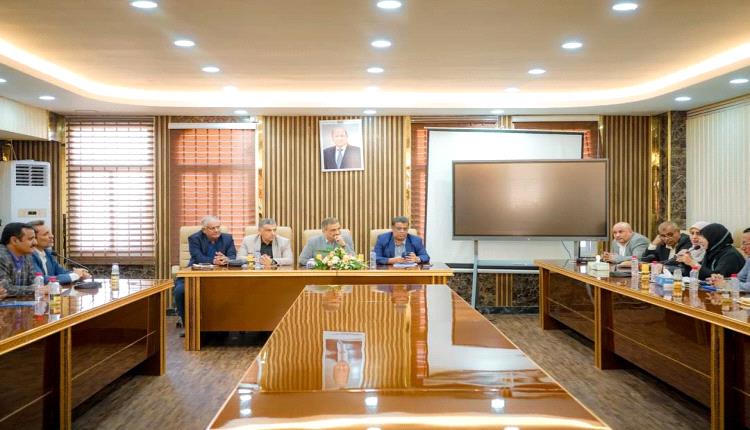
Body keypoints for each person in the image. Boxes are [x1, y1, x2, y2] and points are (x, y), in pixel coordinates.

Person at [174, 216, 236, 334]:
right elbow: (197, 257)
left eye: (218, 227)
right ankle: (188, 326)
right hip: (196, 274)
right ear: (204, 230)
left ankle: (224, 325)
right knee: (180, 291)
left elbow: (233, 256)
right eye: (213, 228)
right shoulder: (194, 238)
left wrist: (226, 258)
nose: (217, 230)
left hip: (220, 277)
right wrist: (214, 261)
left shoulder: (227, 238)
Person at [0, 222, 39, 297]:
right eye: (30, 239)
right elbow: (5, 289)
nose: (35, 242)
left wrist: (37, 288)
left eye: (35, 238)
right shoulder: (1, 256)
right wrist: (36, 289)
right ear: (14, 240)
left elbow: (34, 281)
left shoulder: (27, 256)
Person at [711, 227, 750, 291]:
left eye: (745, 243)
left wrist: (726, 285)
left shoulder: (731, 254)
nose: (742, 247)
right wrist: (721, 280)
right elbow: (740, 278)